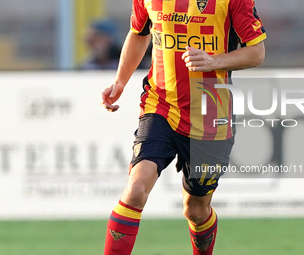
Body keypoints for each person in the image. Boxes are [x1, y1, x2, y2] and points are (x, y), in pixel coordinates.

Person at [101, 0, 266, 254]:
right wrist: (120, 81)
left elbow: (256, 52)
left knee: (196, 211)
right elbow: (139, 33)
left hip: (210, 115)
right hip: (161, 106)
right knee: (135, 190)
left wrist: (213, 61)